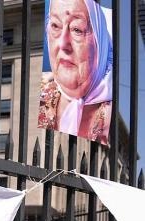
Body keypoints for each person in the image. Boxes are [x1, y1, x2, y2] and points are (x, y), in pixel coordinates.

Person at [37, 0, 113, 144]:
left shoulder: (118, 106)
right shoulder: (42, 89)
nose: (62, 44)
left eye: (77, 29)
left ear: (99, 41)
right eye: (55, 25)